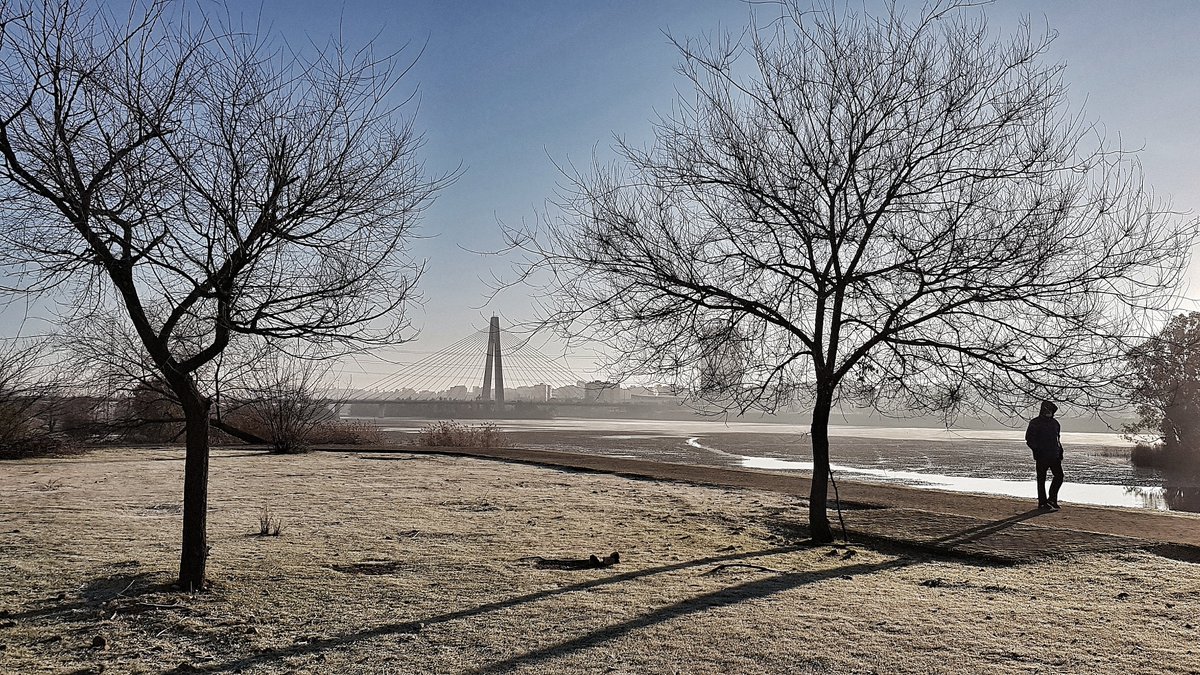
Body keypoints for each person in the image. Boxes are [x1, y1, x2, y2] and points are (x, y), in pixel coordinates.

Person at [1025, 400, 1064, 510]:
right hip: (1042, 456)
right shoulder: (1035, 423)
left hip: (1054, 455)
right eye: (1047, 410)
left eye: (1051, 410)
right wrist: (1037, 451)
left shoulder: (1055, 423)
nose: (1049, 412)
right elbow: (1029, 439)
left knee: (1059, 476)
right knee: (1041, 479)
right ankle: (1042, 502)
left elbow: (1058, 439)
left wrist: (1060, 451)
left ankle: (1052, 499)